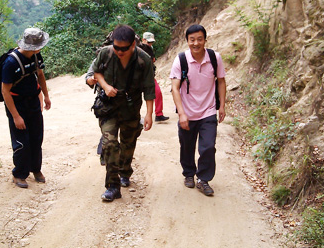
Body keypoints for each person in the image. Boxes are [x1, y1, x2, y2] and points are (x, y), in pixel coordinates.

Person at [93, 24, 155, 201]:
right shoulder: (106, 53)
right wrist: (105, 87)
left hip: (131, 108)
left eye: (124, 48)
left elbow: (149, 88)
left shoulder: (143, 60)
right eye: (116, 47)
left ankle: (125, 172)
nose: (119, 51)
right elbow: (97, 72)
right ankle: (113, 186)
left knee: (128, 143)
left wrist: (149, 114)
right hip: (109, 107)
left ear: (132, 45)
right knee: (110, 143)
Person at [169, 24, 226, 196]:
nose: (196, 43)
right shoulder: (181, 60)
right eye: (192, 40)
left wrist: (222, 105)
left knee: (208, 146)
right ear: (187, 41)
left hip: (208, 111)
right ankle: (188, 174)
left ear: (205, 40)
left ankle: (203, 179)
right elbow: (174, 87)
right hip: (187, 112)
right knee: (187, 146)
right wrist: (181, 113)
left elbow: (221, 81)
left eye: (199, 39)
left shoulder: (214, 58)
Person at [2, 27, 51, 189]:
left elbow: (41, 76)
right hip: (17, 105)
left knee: (37, 138)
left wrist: (45, 96)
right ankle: (19, 174)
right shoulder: (11, 62)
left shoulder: (36, 56)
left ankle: (36, 169)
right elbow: (5, 91)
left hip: (33, 102)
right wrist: (16, 116)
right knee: (22, 141)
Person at [142, 32, 169, 122]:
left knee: (158, 92)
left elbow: (152, 60)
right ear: (143, 40)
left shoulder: (150, 49)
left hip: (149, 76)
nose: (150, 44)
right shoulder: (138, 49)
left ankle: (159, 114)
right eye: (148, 42)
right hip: (139, 77)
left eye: (151, 42)